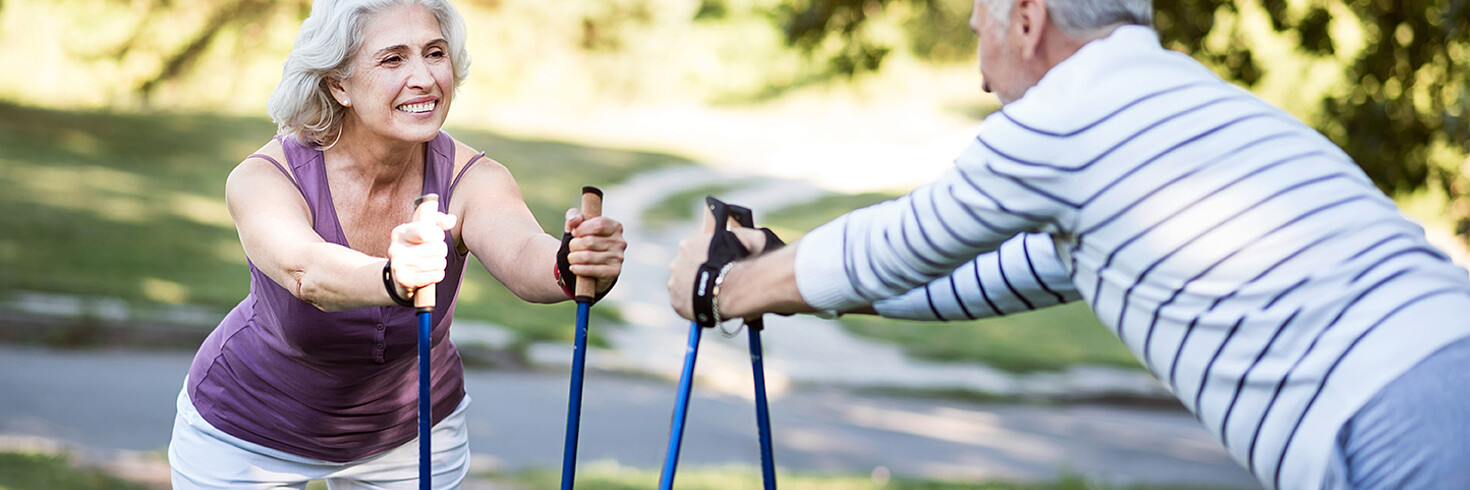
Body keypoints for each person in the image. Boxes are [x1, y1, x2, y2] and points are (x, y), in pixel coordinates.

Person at [667, 0, 1470, 488]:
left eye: (980, 26)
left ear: (1027, 18)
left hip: (1396, 425)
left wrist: (724, 289)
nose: (981, 74)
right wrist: (777, 258)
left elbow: (904, 242)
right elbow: (969, 276)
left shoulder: (1068, 116)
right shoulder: (1173, 105)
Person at [167, 0, 626, 487]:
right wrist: (392, 276)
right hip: (249, 429)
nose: (425, 78)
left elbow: (522, 254)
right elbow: (307, 271)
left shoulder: (473, 178)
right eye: (393, 59)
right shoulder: (265, 178)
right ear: (338, 83)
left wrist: (572, 263)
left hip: (412, 433)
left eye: (435, 53)